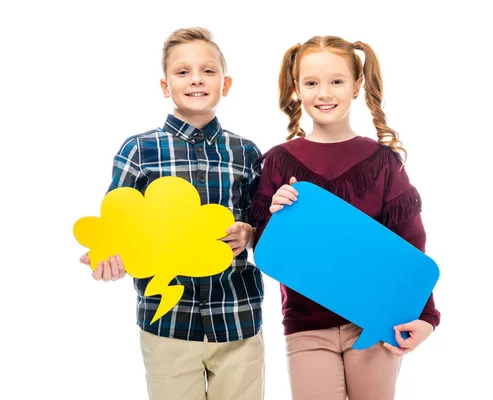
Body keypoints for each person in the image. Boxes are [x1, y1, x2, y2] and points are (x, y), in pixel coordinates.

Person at [250, 35, 440, 400]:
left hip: (377, 321)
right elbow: (266, 248)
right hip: (306, 327)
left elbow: (409, 244)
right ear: (297, 89)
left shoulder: (382, 162)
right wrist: (275, 213)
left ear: (356, 87)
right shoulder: (277, 162)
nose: (324, 92)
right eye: (311, 83)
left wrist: (426, 315)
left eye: (336, 81)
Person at [79, 27, 265, 400]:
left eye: (207, 71)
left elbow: (263, 224)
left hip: (238, 318)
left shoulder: (245, 152)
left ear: (225, 84)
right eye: (182, 72)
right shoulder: (139, 149)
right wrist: (106, 258)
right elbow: (117, 225)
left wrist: (249, 234)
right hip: (166, 324)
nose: (196, 78)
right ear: (165, 86)